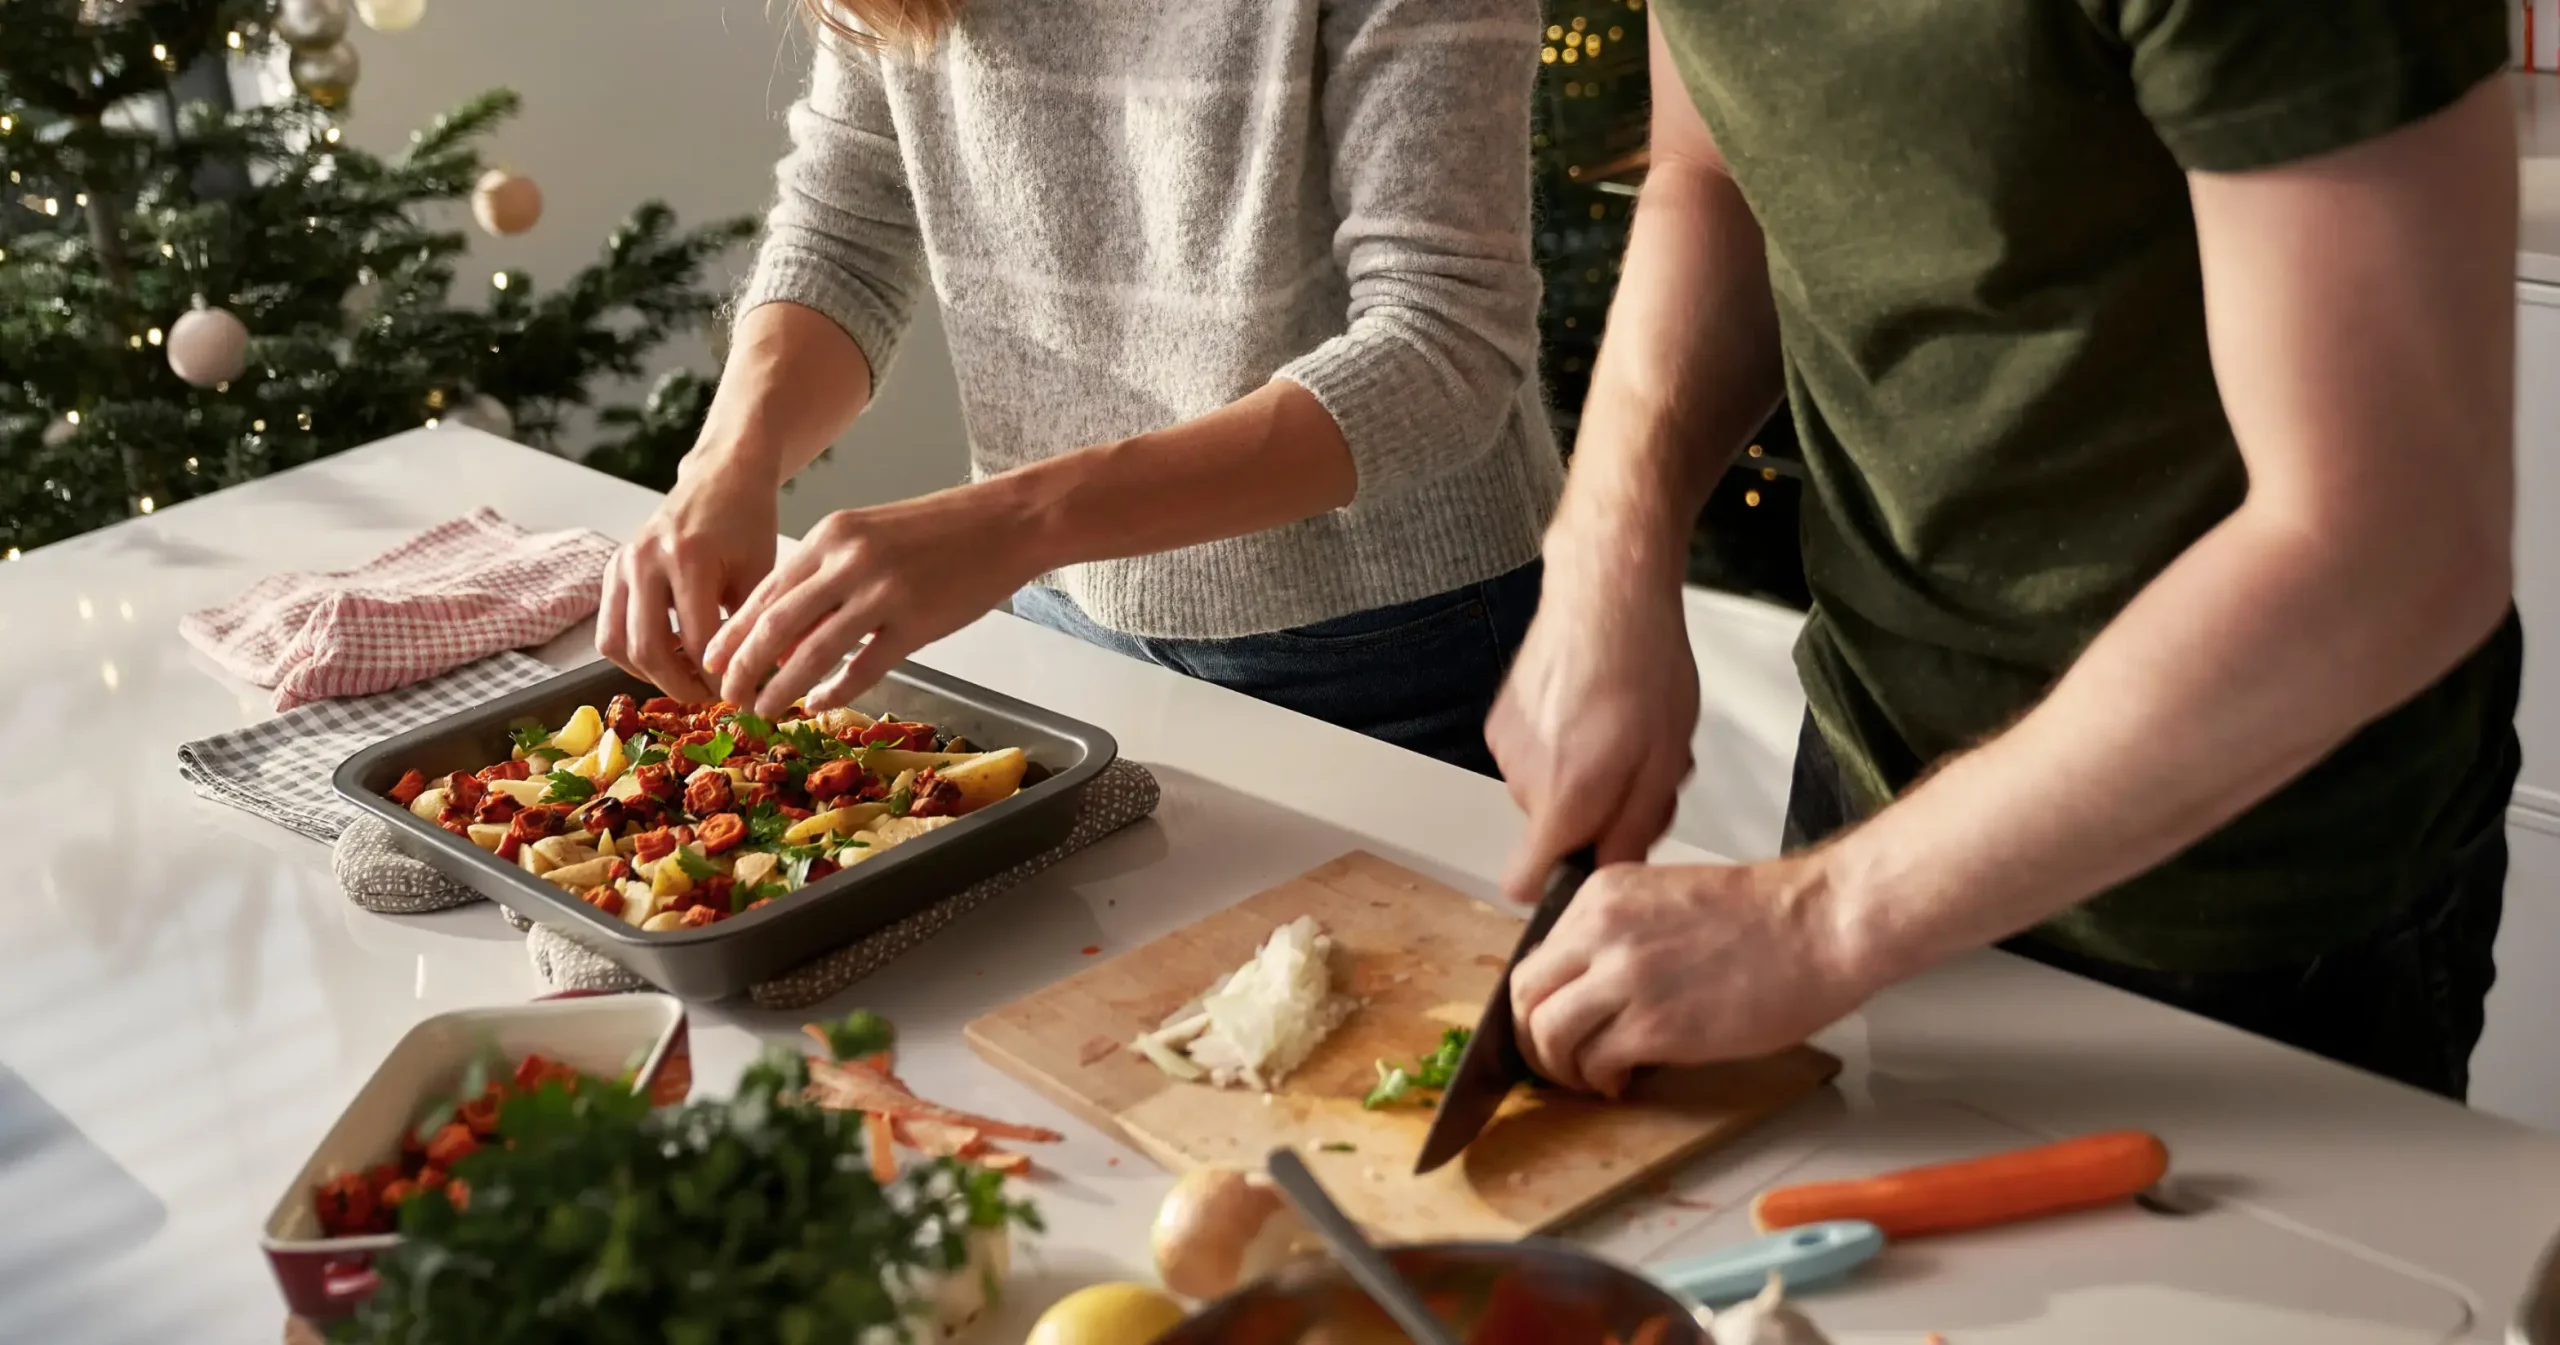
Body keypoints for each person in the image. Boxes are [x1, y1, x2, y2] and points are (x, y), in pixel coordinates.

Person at [1491, 4, 2520, 1101]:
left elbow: (2388, 548)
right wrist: (1607, 546)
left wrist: (1822, 919)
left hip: (2238, 884)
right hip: (1866, 768)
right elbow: (1710, 170)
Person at [594, 0, 1561, 777]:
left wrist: (1013, 521)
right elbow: (846, 228)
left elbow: (1443, 343)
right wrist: (729, 459)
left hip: (1396, 647)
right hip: (1062, 616)